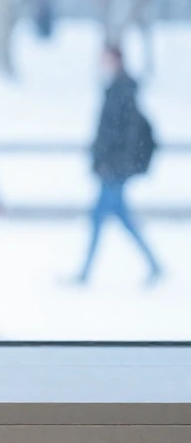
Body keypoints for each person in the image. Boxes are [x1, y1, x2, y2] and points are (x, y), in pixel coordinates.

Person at [76, 45, 162, 286]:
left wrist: (110, 163)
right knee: (119, 218)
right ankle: (154, 264)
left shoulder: (122, 90)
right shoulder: (115, 88)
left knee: (100, 218)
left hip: (114, 169)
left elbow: (123, 133)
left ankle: (85, 271)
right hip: (111, 167)